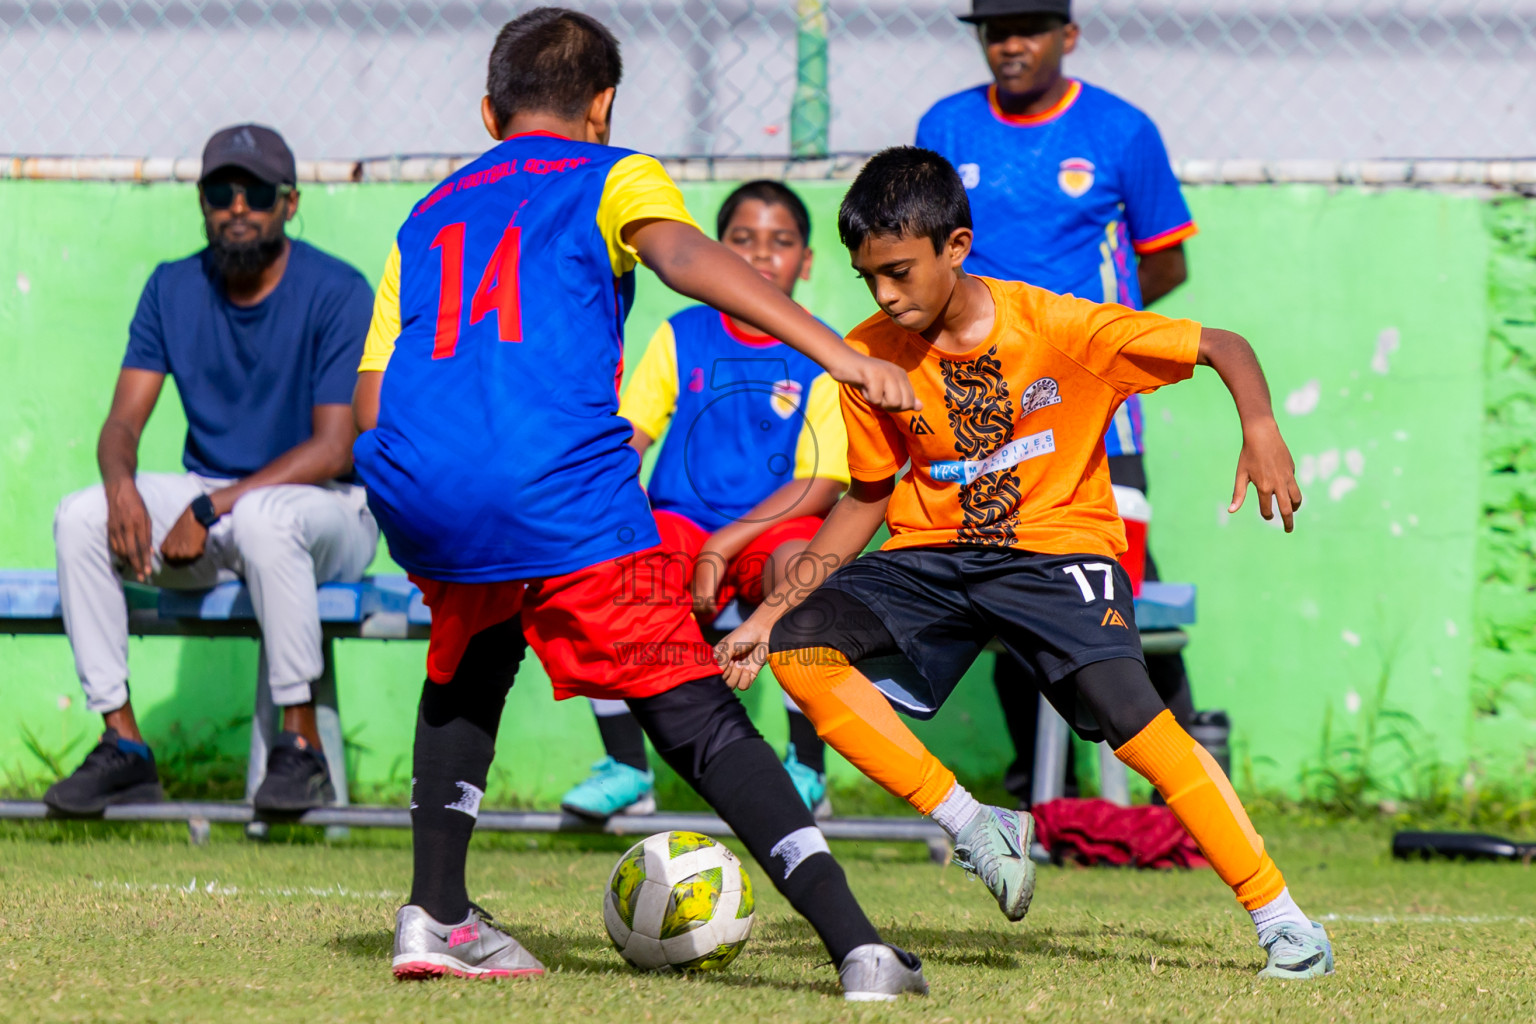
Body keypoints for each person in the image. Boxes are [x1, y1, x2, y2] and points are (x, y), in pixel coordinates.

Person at [351, 9, 927, 999]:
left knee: (472, 650)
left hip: (419, 480)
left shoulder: (427, 212)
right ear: (604, 106)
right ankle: (861, 948)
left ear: (489, 112)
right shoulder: (613, 173)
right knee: (691, 705)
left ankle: (435, 912)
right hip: (555, 485)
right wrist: (837, 350)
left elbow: (375, 386)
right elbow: (686, 260)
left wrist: (408, 470)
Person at [718, 148, 1334, 980]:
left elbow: (1221, 343)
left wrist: (1260, 428)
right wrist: (764, 616)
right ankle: (975, 824)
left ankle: (1285, 922)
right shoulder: (871, 353)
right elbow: (865, 498)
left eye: (899, 272)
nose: (885, 297)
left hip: (1056, 553)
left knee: (1137, 722)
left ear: (957, 246)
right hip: (933, 556)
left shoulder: (1063, 329)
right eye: (869, 280)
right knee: (801, 648)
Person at [45, 125, 379, 817]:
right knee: (79, 518)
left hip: (329, 510)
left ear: (288, 203)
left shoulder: (336, 289)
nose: (237, 207)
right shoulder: (172, 287)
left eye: (255, 192)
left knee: (264, 517)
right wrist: (120, 489)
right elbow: (122, 424)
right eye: (220, 192)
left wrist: (209, 508)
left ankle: (301, 747)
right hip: (222, 508)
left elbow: (335, 447)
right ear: (201, 201)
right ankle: (125, 745)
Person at [916, 0, 1201, 804]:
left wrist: (1084, 340)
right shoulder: (946, 125)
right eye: (994, 31)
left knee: (1115, 599)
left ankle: (1176, 793)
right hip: (980, 411)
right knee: (1006, 592)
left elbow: (1164, 266)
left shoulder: (1121, 131)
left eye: (1028, 30)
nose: (1010, 45)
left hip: (1100, 418)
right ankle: (1036, 790)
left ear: (1067, 37)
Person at [561, 180, 839, 822]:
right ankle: (628, 769)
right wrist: (597, 505)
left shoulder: (821, 350)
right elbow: (629, 437)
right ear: (718, 251)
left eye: (780, 242)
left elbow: (820, 483)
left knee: (803, 568)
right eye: (742, 240)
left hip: (771, 527)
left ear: (806, 260)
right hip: (680, 522)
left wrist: (724, 544)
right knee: (608, 568)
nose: (761, 255)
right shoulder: (682, 334)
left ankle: (807, 770)